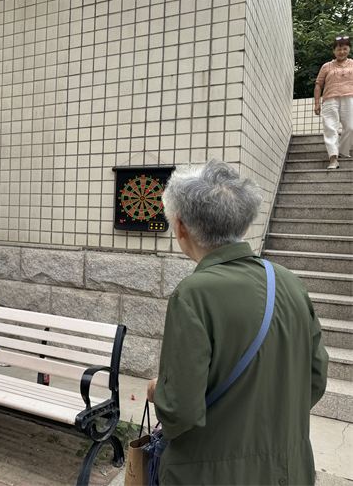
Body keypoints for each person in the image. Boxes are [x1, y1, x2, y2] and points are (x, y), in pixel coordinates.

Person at [146, 160, 328, 485]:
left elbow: (180, 412)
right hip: (289, 469)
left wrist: (158, 390)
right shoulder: (290, 282)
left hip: (210, 472)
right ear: (243, 228)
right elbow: (315, 379)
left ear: (180, 226)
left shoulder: (194, 294)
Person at [314, 36, 352, 169]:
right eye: (339, 49)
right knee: (330, 128)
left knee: (351, 127)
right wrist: (317, 103)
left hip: (350, 98)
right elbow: (318, 84)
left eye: (345, 49)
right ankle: (333, 159)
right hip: (330, 99)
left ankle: (343, 150)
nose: (342, 52)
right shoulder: (326, 66)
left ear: (349, 49)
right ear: (334, 51)